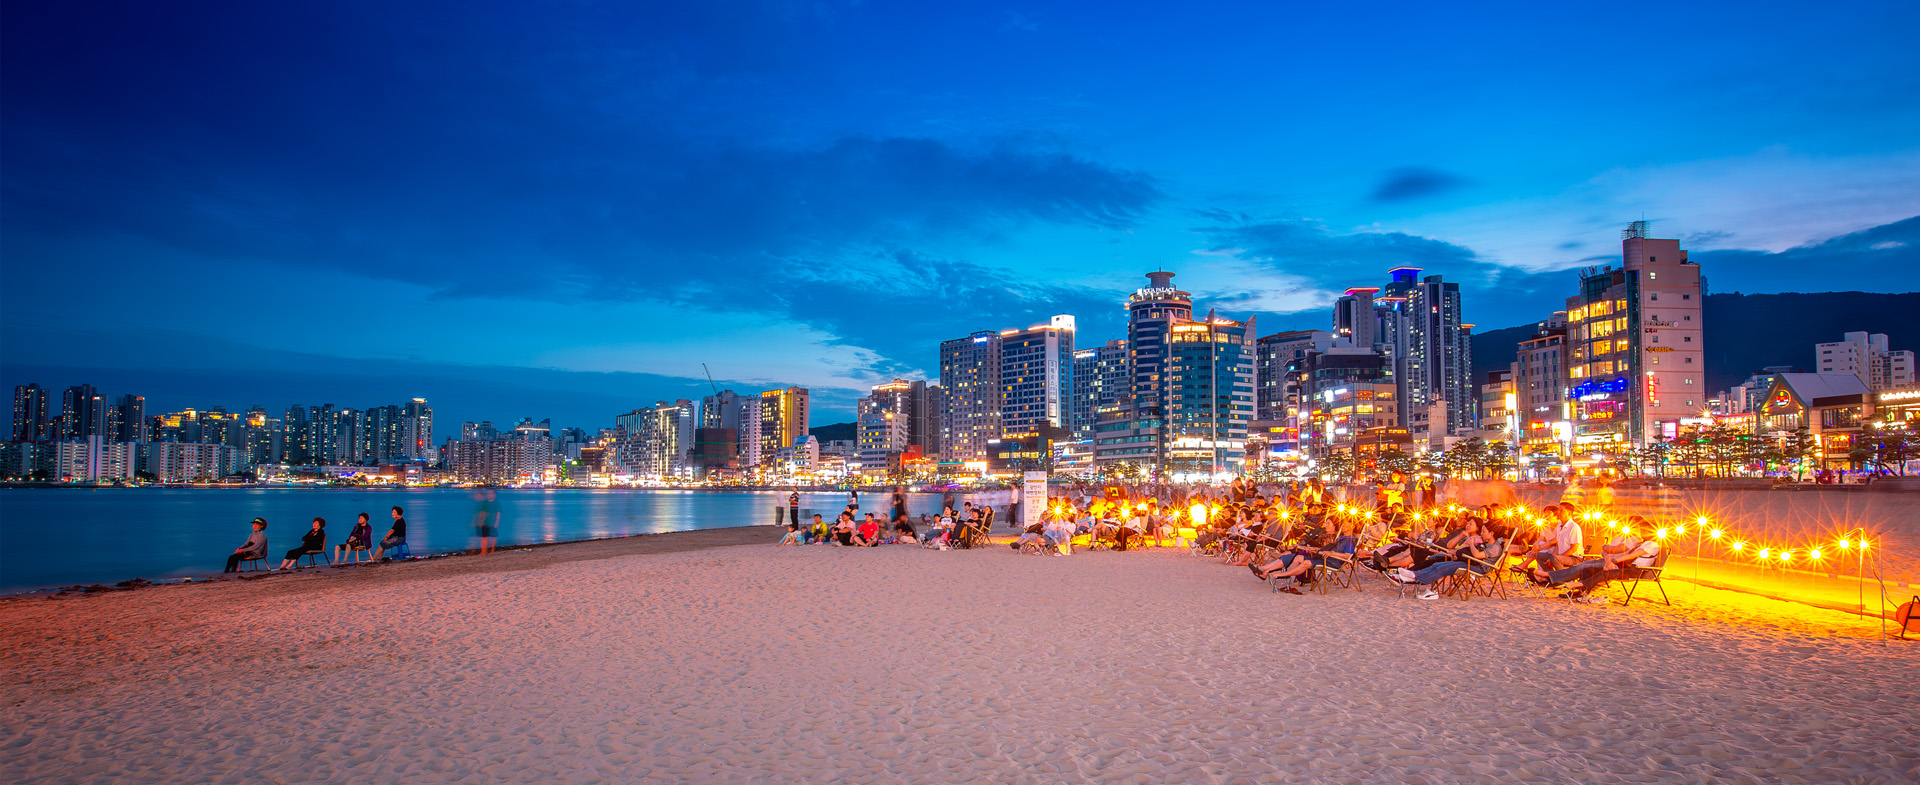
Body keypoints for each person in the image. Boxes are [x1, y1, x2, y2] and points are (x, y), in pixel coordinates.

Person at [473, 490, 499, 555]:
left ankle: (492, 551)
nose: (489, 495)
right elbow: (482, 512)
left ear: (494, 495)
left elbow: (498, 513)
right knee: (484, 537)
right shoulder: (485, 503)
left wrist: (496, 522)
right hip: (485, 522)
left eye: (491, 493)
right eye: (488, 493)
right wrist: (480, 520)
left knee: (493, 537)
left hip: (492, 522)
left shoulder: (496, 503)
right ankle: (483, 551)